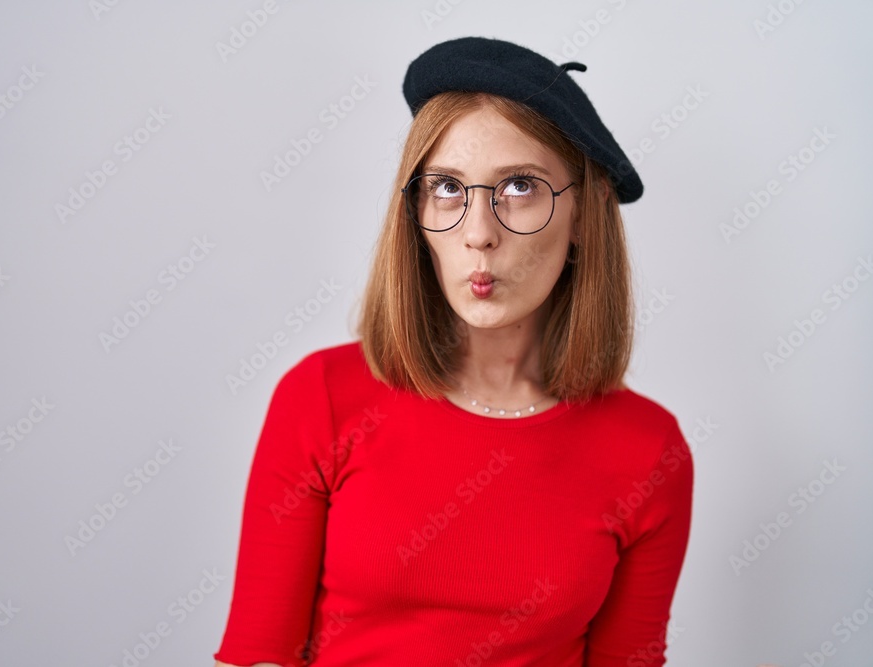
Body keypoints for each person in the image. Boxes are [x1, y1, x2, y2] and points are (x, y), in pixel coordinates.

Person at [214, 36, 693, 666]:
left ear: (585, 215)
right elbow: (259, 657)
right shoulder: (323, 397)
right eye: (446, 187)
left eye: (519, 187)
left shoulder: (649, 451)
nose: (478, 234)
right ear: (414, 211)